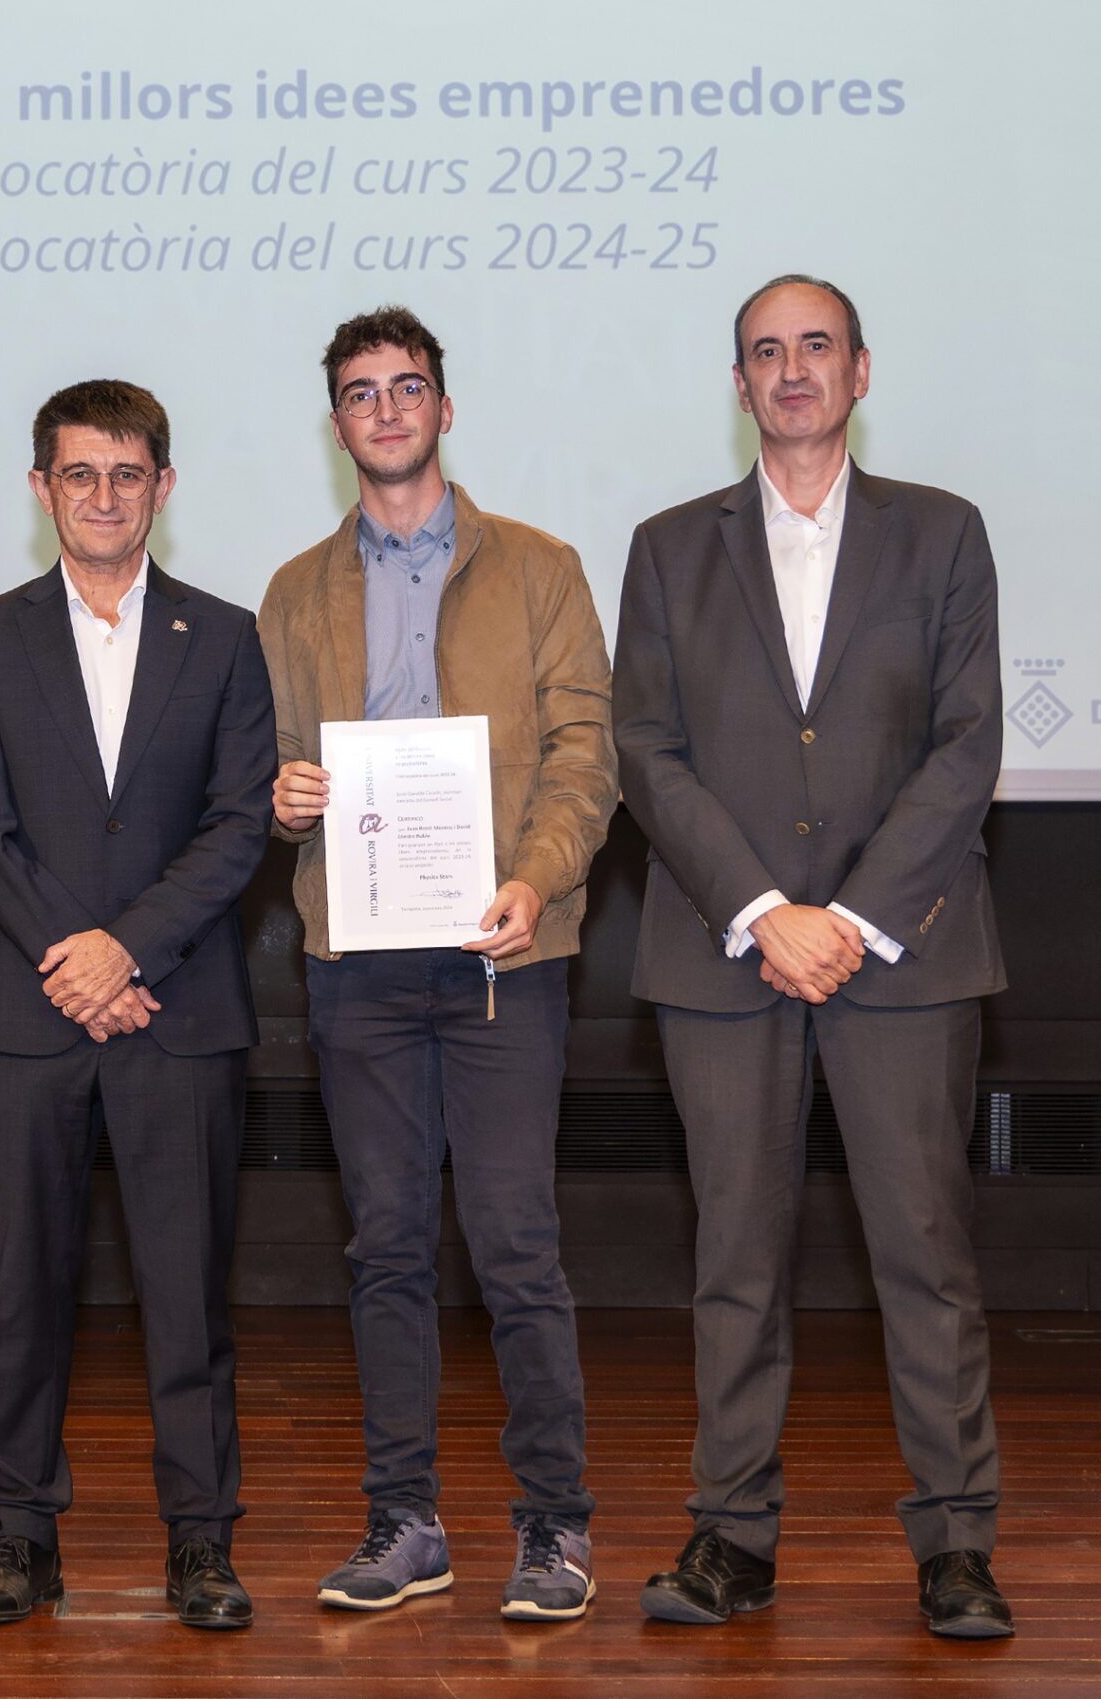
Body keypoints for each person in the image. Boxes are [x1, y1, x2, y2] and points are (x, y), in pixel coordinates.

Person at [614, 275, 1012, 1639]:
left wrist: (847, 917)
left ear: (859, 371)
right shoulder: (668, 548)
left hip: (904, 954)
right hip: (725, 956)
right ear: (738, 386)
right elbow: (645, 749)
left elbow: (968, 741)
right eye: (766, 352)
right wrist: (761, 907)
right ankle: (732, 1536)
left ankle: (956, 1544)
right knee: (735, 1263)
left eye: (816, 347)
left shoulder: (942, 532)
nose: (792, 370)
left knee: (927, 1259)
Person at [261, 307, 616, 1621]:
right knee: (388, 1249)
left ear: (444, 409)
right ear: (337, 423)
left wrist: (538, 876)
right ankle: (405, 1521)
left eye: (407, 387)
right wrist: (282, 797)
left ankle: (555, 1526)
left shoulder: (541, 568)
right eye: (361, 393)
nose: (387, 410)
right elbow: (264, 767)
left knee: (515, 1245)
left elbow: (586, 753)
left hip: (501, 954)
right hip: (357, 962)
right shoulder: (293, 593)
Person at [0, 379, 275, 1631]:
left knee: (186, 1296)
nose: (102, 496)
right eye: (78, 474)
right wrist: (74, 962)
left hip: (178, 1011)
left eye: (126, 474)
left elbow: (238, 822)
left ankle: (201, 1539)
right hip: (28, 1017)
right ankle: (22, 1532)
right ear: (42, 489)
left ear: (162, 487)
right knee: (24, 1294)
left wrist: (126, 952)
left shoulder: (224, 636)